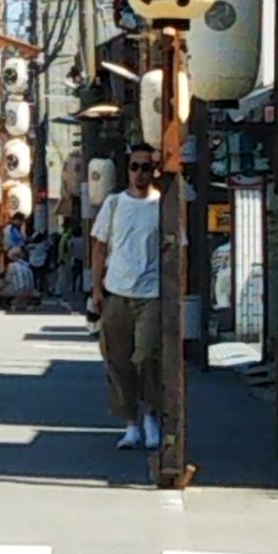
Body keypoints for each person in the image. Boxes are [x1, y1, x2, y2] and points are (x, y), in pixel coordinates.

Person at [90, 142, 176, 451]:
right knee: (117, 360)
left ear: (154, 171)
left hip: (151, 293)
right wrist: (97, 288)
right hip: (116, 291)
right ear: (127, 170)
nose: (140, 173)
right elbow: (99, 246)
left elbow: (178, 249)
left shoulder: (163, 205)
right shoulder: (114, 204)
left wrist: (176, 289)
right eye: (134, 167)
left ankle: (151, 415)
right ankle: (131, 423)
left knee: (146, 357)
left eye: (145, 167)